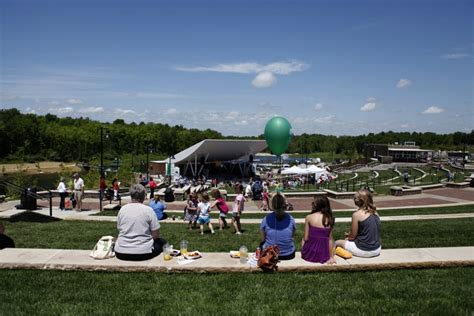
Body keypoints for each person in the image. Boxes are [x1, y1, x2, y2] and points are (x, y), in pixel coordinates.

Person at [115, 184, 166, 261]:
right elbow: (155, 233)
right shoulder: (148, 210)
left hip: (121, 252)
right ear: (143, 196)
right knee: (162, 242)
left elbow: (119, 229)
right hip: (144, 253)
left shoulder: (122, 209)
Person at [335, 189, 381, 258]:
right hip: (377, 249)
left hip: (363, 250)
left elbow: (352, 237)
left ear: (359, 201)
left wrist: (348, 237)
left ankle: (340, 254)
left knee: (337, 242)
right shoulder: (375, 213)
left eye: (355, 198)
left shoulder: (356, 215)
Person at [259, 192, 296, 260]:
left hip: (270, 254)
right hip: (289, 254)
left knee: (261, 244)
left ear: (272, 205)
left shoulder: (266, 219)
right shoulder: (291, 219)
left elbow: (263, 239)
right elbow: (292, 237)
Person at [301, 196, 336, 264]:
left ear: (316, 205)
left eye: (313, 203)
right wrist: (331, 257)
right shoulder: (330, 219)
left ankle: (305, 252)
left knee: (302, 239)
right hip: (324, 255)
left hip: (309, 255)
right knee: (331, 241)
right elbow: (330, 239)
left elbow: (306, 238)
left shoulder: (309, 217)